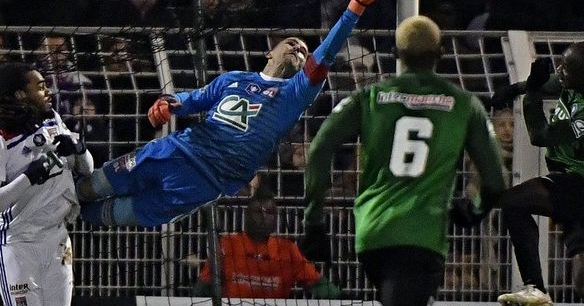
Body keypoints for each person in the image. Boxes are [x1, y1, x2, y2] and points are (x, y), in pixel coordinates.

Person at [75, 0, 392, 227]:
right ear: (270, 50)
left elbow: (324, 56)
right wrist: (167, 103)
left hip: (205, 183)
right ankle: (52, 198)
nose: (299, 48)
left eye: (304, 49)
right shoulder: (234, 79)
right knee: (94, 186)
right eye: (292, 42)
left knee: (106, 215)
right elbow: (191, 100)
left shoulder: (293, 94)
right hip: (175, 151)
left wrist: (355, 8)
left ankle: (65, 222)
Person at [302, 15, 506, 306]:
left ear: (396, 54)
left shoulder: (369, 98)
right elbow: (496, 180)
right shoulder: (464, 104)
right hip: (420, 235)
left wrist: (314, 221)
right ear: (441, 53)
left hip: (371, 233)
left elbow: (320, 148)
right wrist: (476, 210)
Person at [0, 63, 94, 306]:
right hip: (17, 245)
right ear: (21, 94)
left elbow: (88, 169)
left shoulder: (52, 119)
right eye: (41, 87)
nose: (49, 92)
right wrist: (29, 178)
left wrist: (79, 148)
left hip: (58, 240)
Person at [492, 43, 584, 305]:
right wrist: (514, 88)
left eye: (566, 68)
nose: (559, 70)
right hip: (571, 184)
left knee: (512, 200)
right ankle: (536, 289)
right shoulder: (574, 83)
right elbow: (550, 82)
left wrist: (530, 95)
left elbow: (541, 136)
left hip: (576, 183)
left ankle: (535, 287)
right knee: (581, 277)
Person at [193, 188, 341, 298]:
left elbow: (319, 284)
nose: (264, 217)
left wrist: (344, 300)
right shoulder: (228, 244)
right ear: (247, 215)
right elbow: (203, 286)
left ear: (276, 218)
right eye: (258, 212)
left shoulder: (287, 249)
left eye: (269, 212)